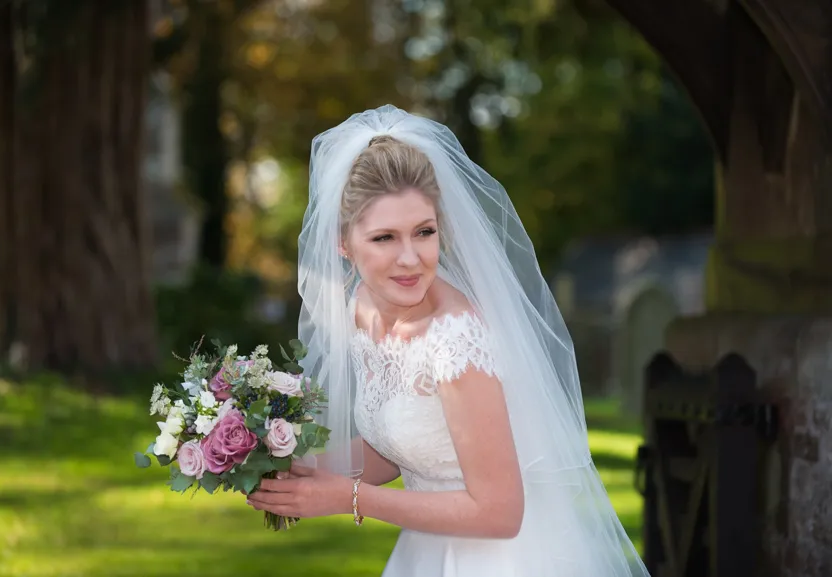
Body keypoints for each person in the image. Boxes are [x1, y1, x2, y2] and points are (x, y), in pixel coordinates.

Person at [245, 105, 650, 577]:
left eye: (424, 232)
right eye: (384, 238)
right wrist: (296, 470)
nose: (410, 259)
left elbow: (499, 513)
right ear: (343, 242)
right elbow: (400, 445)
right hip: (427, 550)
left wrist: (349, 498)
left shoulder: (456, 340)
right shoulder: (362, 308)